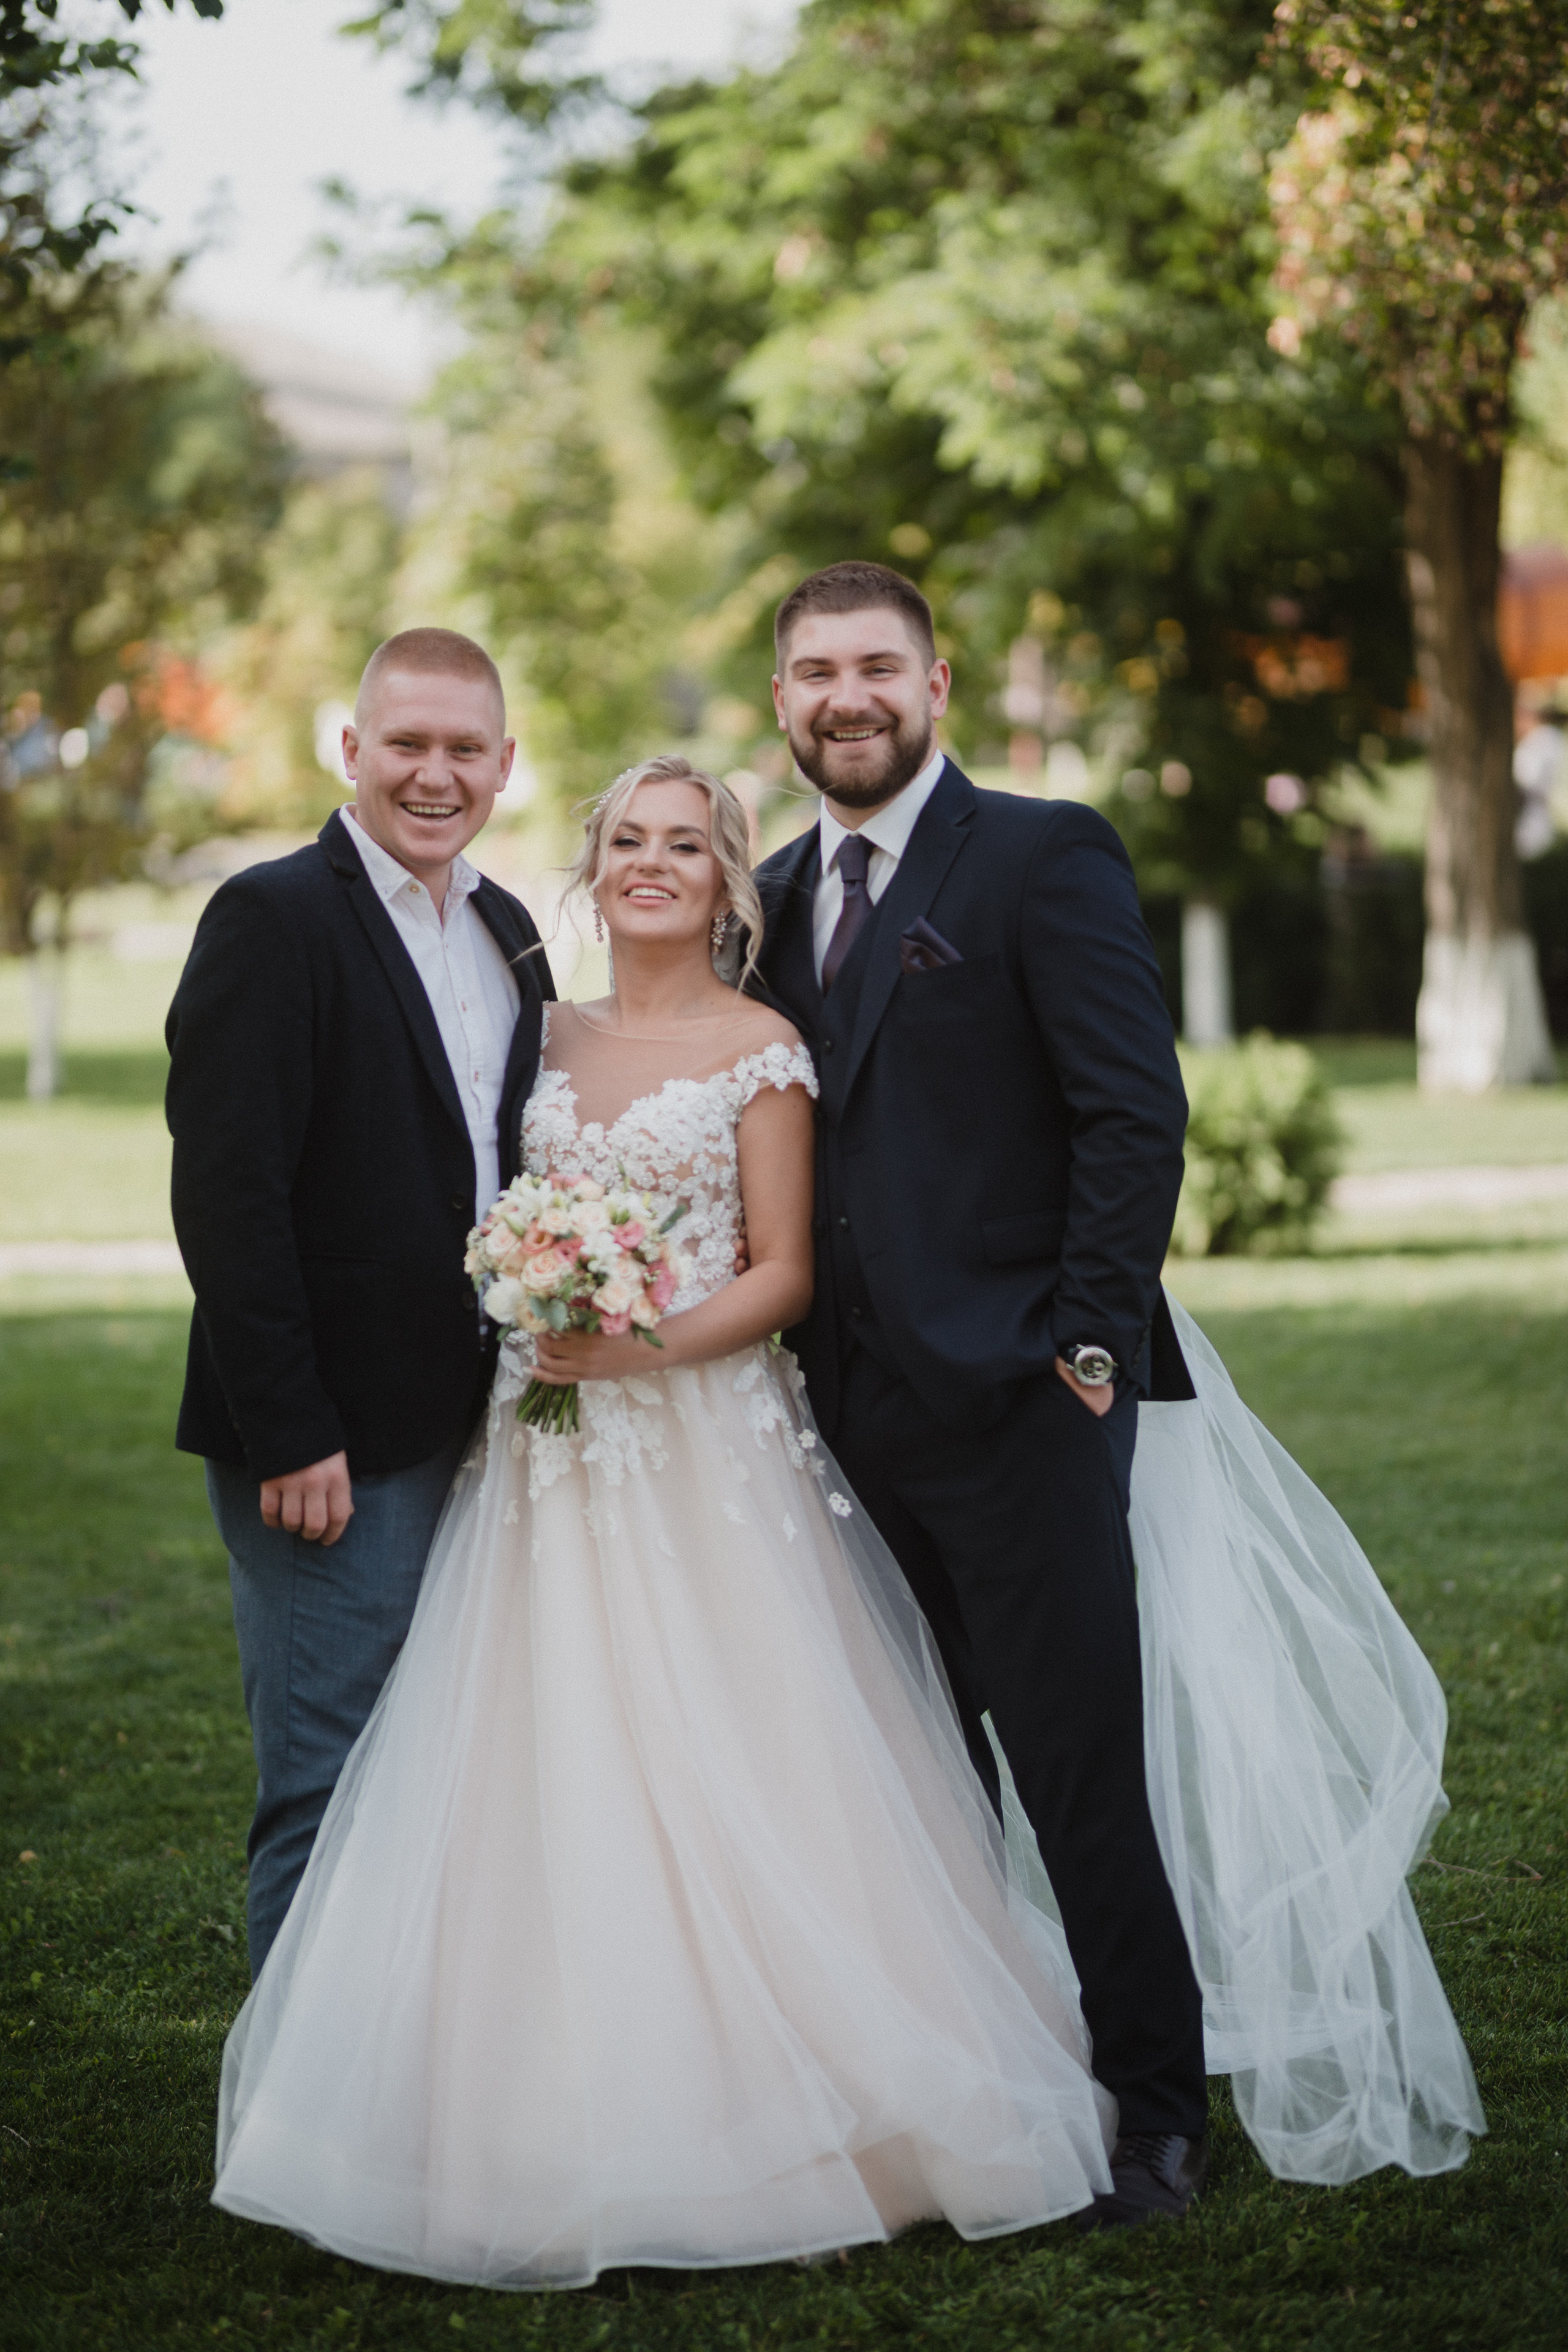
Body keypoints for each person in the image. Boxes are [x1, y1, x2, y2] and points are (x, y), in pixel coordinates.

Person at [211, 755, 1480, 2290]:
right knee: (538, 1760)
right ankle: (524, 2095)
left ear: (732, 877)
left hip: (730, 1439)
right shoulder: (530, 1031)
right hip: (544, 1471)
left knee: (799, 1756)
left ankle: (1075, 2096)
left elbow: (786, 1267)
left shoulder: (767, 1046)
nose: (651, 864)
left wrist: (642, 1341)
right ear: (588, 863)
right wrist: (530, 1295)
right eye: (625, 840)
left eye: (685, 843)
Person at [750, 559, 1480, 2223]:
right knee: (915, 1781)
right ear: (782, 700)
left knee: (1082, 1773)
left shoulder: (1039, 853)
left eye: (876, 665)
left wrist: (1081, 1350)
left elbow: (1132, 1116)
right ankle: (972, 2082)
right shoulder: (774, 894)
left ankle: (1152, 2109)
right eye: (814, 671)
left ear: (937, 686)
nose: (845, 695)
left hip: (1021, 1409)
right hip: (837, 1427)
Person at [167, 627, 554, 1977]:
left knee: (447, 1773)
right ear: (352, 750)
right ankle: (299, 2137)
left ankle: (409, 2089)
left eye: (463, 750)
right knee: (327, 1784)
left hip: (481, 1427)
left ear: (504, 764)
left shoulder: (508, 931)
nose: (434, 775)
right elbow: (228, 1196)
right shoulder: (272, 919)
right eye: (407, 745)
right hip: (329, 1446)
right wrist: (290, 1428)